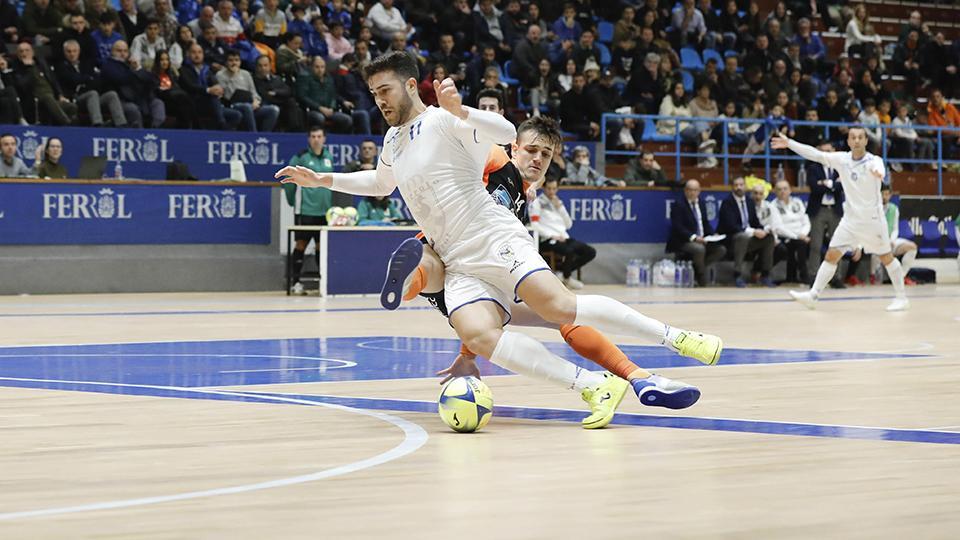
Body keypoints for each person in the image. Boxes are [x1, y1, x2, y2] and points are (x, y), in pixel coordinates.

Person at [276, 52, 721, 429]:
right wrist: (322, 179)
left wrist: (462, 110)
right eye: (373, 93)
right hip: (457, 256)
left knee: (560, 308)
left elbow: (508, 135)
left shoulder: (446, 122)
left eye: (385, 90)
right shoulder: (393, 139)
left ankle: (676, 338)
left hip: (491, 235)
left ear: (412, 85)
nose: (379, 100)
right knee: (478, 332)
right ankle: (594, 387)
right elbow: (379, 183)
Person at [386, 115, 702, 417]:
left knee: (561, 315)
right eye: (532, 151)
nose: (538, 159)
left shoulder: (522, 194)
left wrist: (468, 354)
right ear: (513, 147)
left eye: (546, 155)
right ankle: (409, 284)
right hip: (451, 254)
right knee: (434, 266)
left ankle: (637, 378)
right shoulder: (492, 159)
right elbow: (466, 148)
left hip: (478, 276)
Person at [773, 129, 910, 311]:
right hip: (850, 221)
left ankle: (902, 298)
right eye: (853, 137)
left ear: (866, 141)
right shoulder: (842, 160)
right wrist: (790, 143)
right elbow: (815, 154)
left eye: (860, 137)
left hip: (873, 221)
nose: (857, 141)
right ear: (848, 140)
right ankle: (813, 295)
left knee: (886, 257)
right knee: (831, 255)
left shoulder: (874, 161)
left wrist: (878, 172)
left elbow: (880, 169)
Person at [284, 126, 335, 295]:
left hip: (324, 212)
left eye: (319, 136)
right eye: (313, 136)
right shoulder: (301, 158)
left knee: (322, 246)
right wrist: (293, 203)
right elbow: (289, 182)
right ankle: (296, 283)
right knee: (301, 244)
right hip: (305, 210)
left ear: (324, 138)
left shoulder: (329, 157)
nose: (316, 139)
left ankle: (322, 285)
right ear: (308, 139)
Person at [531, 177, 595, 290]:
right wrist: (551, 235)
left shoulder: (558, 202)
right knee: (569, 251)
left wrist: (560, 207)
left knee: (590, 252)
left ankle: (562, 273)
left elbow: (569, 224)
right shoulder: (537, 202)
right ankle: (567, 277)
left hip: (564, 238)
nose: (551, 192)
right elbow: (535, 225)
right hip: (547, 239)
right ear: (544, 188)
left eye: (554, 189)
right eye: (549, 188)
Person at [717, 176, 776, 287]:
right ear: (732, 187)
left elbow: (755, 222)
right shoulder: (727, 203)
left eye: (741, 185)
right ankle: (737, 274)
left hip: (748, 240)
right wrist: (753, 232)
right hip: (732, 240)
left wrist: (765, 229)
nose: (739, 187)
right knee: (742, 236)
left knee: (769, 238)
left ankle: (765, 275)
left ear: (745, 186)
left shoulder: (749, 202)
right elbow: (731, 226)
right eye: (736, 185)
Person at [54, 39, 128, 127]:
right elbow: (72, 79)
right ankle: (98, 124)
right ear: (64, 52)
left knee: (111, 95)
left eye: (74, 51)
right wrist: (87, 79)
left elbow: (96, 79)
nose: (72, 54)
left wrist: (87, 79)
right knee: (92, 94)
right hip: (75, 98)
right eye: (69, 51)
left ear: (79, 51)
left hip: (93, 98)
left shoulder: (85, 64)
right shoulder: (61, 66)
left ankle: (121, 125)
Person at [667, 180, 726, 287]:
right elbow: (678, 227)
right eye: (690, 190)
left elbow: (705, 223)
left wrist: (713, 235)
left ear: (699, 191)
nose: (692, 193)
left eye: (695, 190)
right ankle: (701, 277)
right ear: (685, 191)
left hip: (702, 239)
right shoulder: (678, 205)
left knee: (721, 250)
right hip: (683, 240)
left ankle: (694, 270)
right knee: (699, 249)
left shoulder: (702, 204)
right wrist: (694, 238)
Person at [216, 50, 279, 132]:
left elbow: (253, 92)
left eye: (236, 60)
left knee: (273, 109)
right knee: (246, 106)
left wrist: (256, 101)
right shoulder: (220, 75)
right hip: (232, 105)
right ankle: (254, 136)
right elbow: (226, 95)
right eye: (231, 60)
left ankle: (264, 136)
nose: (234, 63)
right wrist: (233, 76)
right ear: (226, 62)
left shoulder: (246, 74)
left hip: (250, 105)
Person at [874, 184, 918, 286]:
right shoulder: (873, 208)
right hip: (876, 241)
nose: (884, 197)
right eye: (882, 194)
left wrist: (891, 240)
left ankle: (901, 276)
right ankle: (874, 275)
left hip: (890, 241)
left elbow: (895, 229)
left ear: (890, 195)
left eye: (886, 194)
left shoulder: (894, 209)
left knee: (912, 247)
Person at [771, 179, 811, 284]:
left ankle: (798, 276)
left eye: (785, 189)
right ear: (775, 192)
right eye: (779, 189)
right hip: (785, 236)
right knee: (800, 244)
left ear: (790, 190)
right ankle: (804, 276)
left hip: (802, 234)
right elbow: (779, 228)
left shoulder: (797, 202)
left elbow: (806, 221)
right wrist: (798, 236)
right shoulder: (773, 205)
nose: (783, 191)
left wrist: (803, 233)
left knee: (811, 242)